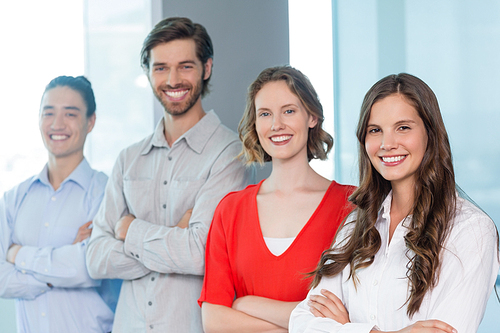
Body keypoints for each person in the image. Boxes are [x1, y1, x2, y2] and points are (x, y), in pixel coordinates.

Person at [289, 73, 500, 333]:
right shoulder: (356, 223)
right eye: (375, 130)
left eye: (403, 127)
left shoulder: (470, 230)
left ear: (430, 134)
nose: (387, 144)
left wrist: (348, 328)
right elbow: (301, 323)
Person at [85, 17, 252, 333]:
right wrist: (174, 233)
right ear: (148, 73)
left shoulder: (230, 153)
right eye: (160, 67)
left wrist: (131, 230)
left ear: (206, 68)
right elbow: (95, 259)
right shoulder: (128, 159)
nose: (173, 80)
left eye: (185, 66)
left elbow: (200, 255)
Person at [199, 66, 355, 332]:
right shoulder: (230, 209)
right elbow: (214, 321)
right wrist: (304, 325)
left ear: (312, 117)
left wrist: (246, 304)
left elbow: (348, 312)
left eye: (289, 111)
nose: (276, 125)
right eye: (265, 114)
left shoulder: (351, 204)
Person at [0, 76, 119, 332]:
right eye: (49, 113)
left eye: (70, 114)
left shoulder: (107, 193)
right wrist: (61, 267)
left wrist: (16, 254)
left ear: (91, 122)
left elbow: (88, 269)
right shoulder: (13, 198)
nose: (57, 124)